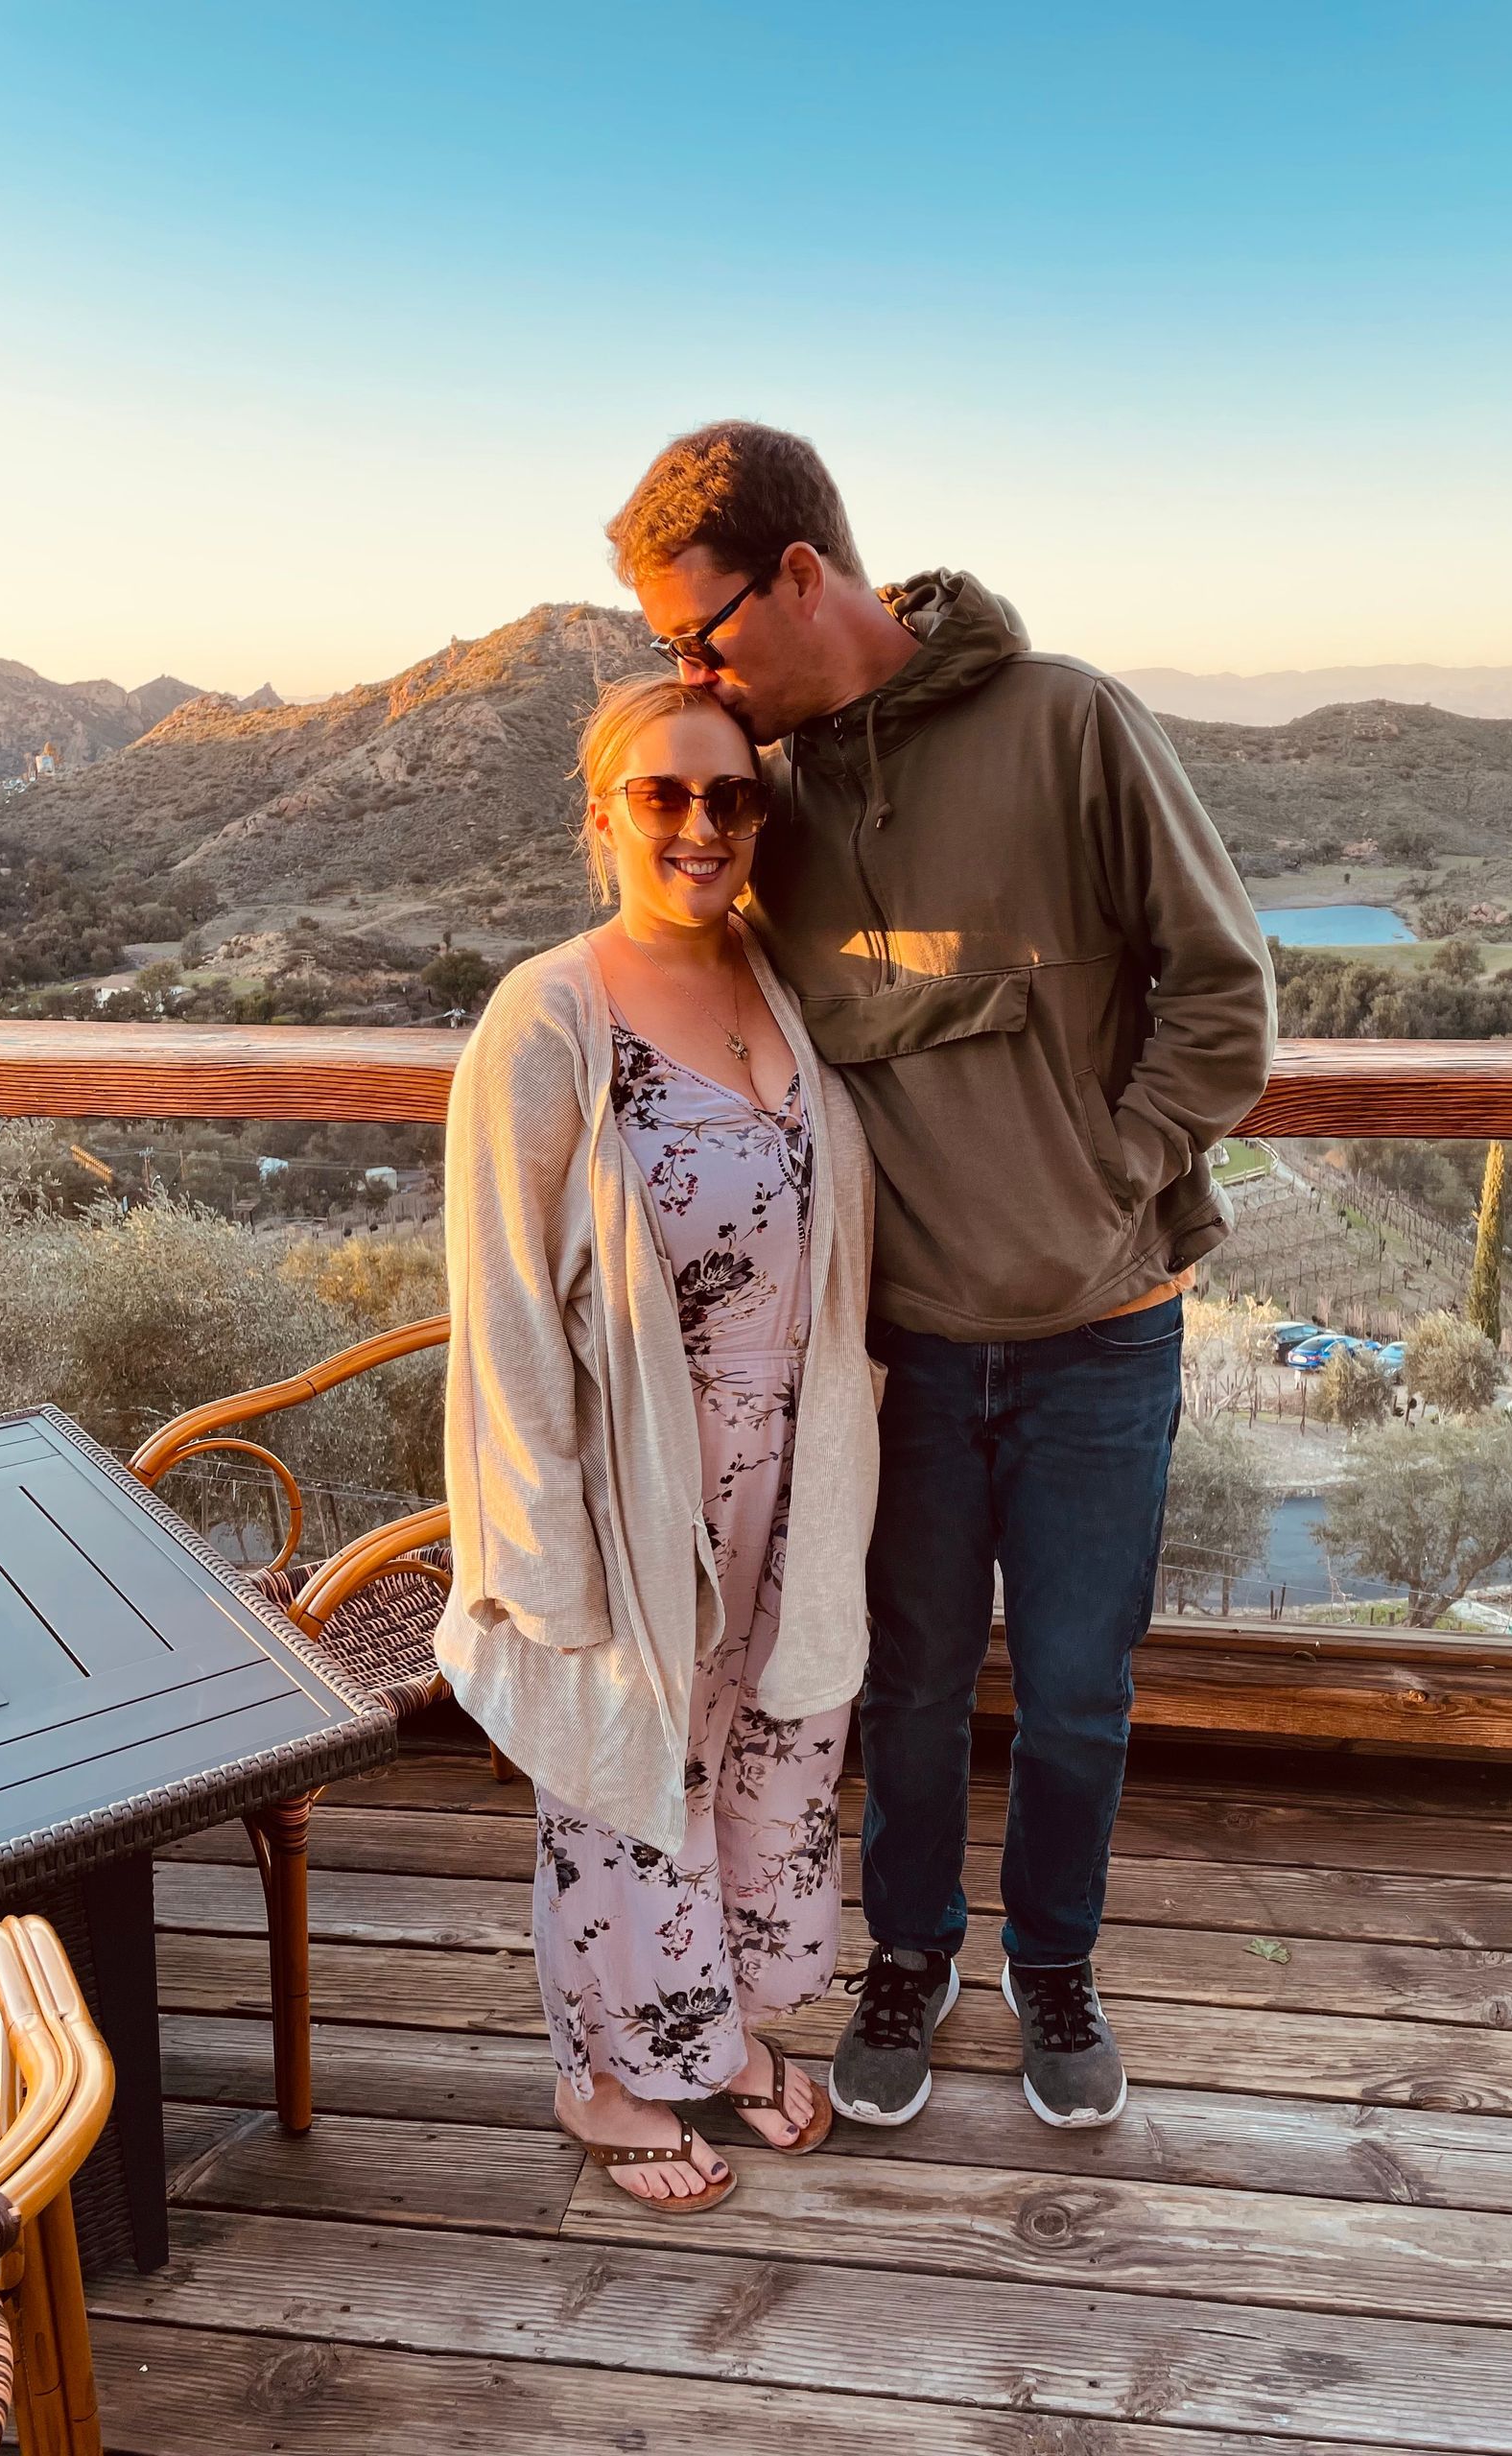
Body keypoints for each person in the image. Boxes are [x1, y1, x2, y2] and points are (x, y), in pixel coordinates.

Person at [605, 423, 1277, 2131]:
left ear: (802, 576)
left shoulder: (1070, 722)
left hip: (1100, 1335)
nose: (695, 675)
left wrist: (1109, 1177)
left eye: (704, 635)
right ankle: (909, 1952)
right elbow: (672, 957)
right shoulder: (767, 799)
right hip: (891, 1352)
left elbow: (1225, 992)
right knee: (898, 1685)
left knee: (1075, 1695)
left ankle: (1056, 1965)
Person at [435, 672, 881, 2209]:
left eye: (732, 795)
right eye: (664, 794)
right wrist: (542, 1546)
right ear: (604, 816)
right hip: (640, 1482)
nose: (702, 824)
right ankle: (605, 2075)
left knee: (762, 1748)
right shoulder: (549, 1013)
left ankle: (715, 2036)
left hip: (794, 1467)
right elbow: (501, 1304)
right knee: (627, 1775)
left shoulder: (775, 975)